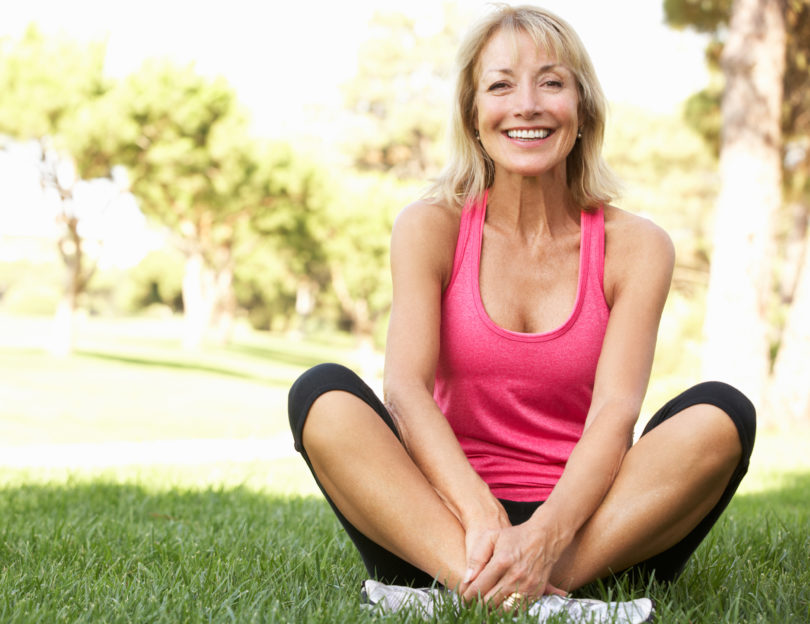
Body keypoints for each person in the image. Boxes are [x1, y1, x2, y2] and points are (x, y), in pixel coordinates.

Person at [287, 3, 756, 613]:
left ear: (583, 111)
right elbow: (405, 390)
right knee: (321, 395)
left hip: (586, 521)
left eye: (552, 82)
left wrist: (545, 534)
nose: (527, 104)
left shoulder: (637, 247)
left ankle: (482, 591)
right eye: (501, 85)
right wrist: (481, 516)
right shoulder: (429, 228)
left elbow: (617, 413)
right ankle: (523, 592)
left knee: (723, 414)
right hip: (446, 519)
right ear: (473, 115)